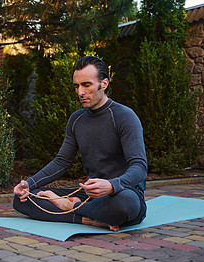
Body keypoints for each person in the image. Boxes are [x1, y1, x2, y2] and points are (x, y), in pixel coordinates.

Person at [13, 55, 147, 232]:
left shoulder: (125, 117)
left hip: (121, 192)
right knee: (23, 198)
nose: (80, 92)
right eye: (77, 86)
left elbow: (139, 167)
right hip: (89, 195)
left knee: (125, 205)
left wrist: (112, 185)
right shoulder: (76, 119)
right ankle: (85, 218)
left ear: (104, 84)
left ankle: (69, 207)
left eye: (86, 85)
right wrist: (29, 183)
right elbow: (62, 161)